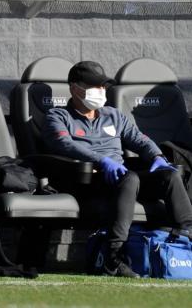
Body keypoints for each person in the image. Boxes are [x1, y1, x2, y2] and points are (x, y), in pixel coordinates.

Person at [44, 60, 192, 278]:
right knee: (130, 178)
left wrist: (157, 156)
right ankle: (113, 258)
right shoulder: (58, 116)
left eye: (103, 86)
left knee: (168, 175)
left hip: (121, 178)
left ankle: (187, 235)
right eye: (95, 86)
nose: (101, 91)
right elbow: (64, 144)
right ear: (75, 88)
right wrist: (102, 160)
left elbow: (139, 139)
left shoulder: (113, 115)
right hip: (88, 179)